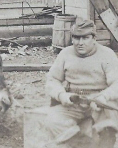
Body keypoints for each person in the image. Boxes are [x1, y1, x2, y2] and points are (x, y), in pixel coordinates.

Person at [44, 19, 118, 148]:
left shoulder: (107, 55)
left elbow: (117, 83)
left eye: (85, 38)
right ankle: (78, 143)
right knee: (51, 121)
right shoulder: (65, 53)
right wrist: (61, 95)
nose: (80, 43)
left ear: (94, 38)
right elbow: (52, 79)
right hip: (73, 102)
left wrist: (104, 96)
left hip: (100, 104)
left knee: (108, 129)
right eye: (76, 38)